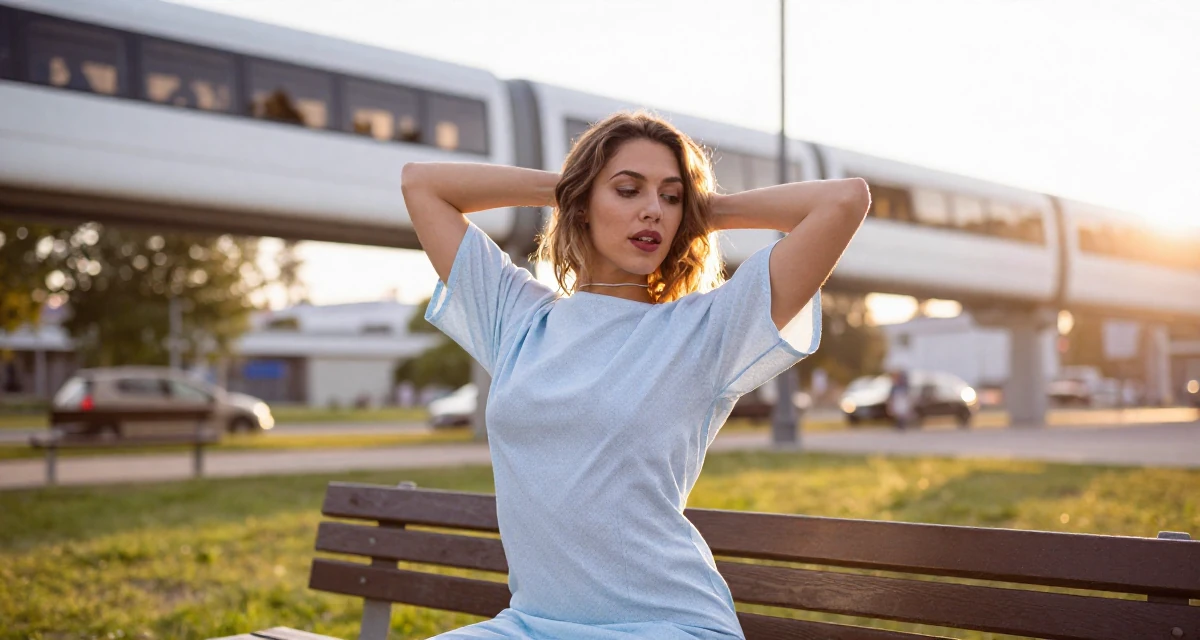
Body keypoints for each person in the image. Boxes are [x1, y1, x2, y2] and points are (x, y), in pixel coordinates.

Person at [401, 111, 869, 640]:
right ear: (581, 204)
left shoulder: (705, 330)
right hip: (532, 626)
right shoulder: (516, 317)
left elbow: (845, 200)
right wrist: (570, 186)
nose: (653, 210)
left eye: (670, 198)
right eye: (627, 190)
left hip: (668, 625)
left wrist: (702, 209)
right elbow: (422, 183)